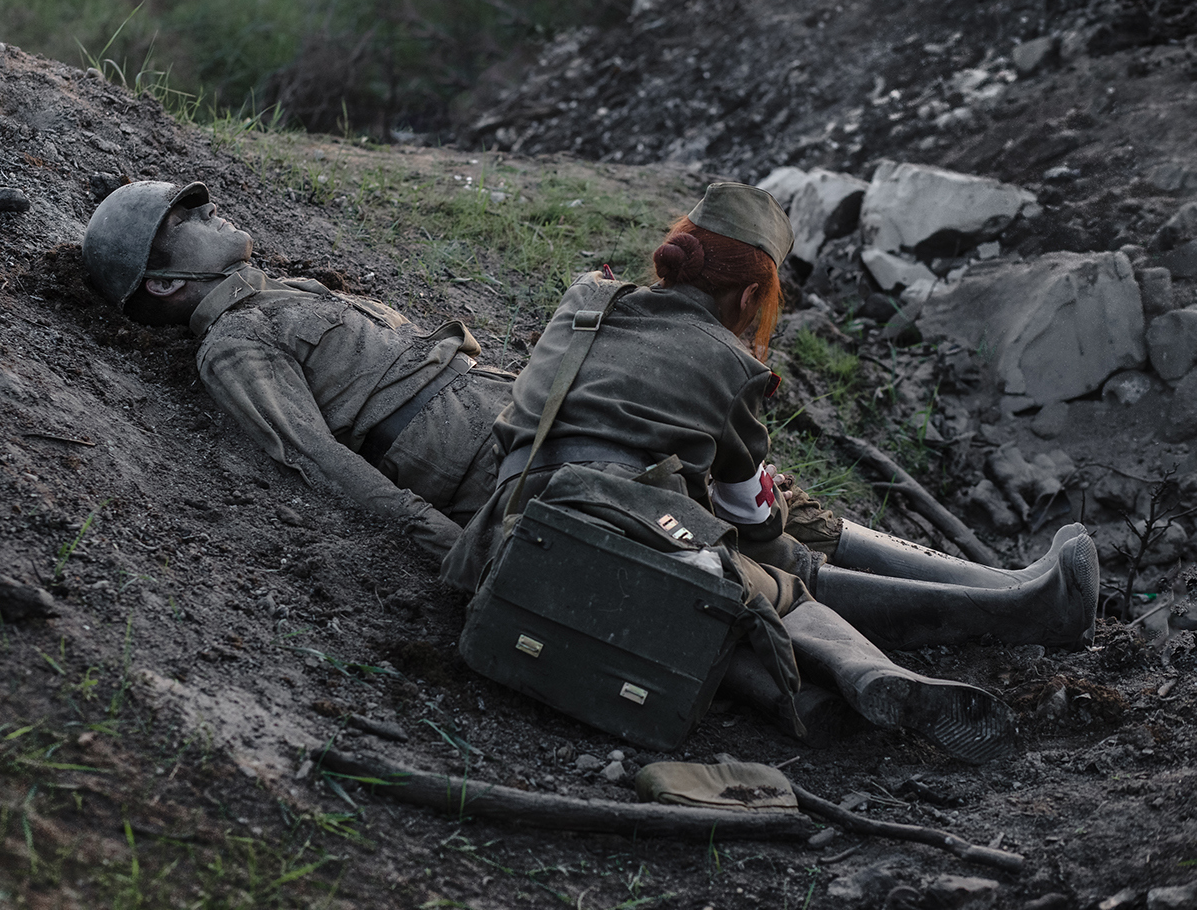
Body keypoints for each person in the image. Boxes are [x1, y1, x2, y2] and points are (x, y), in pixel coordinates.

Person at [443, 181, 1099, 762]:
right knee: (782, 581)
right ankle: (896, 658)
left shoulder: (587, 299)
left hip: (513, 526)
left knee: (741, 540)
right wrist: (764, 501)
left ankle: (1012, 590)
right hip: (628, 533)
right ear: (754, 291)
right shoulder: (732, 364)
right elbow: (756, 520)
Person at [80, 180, 513, 557]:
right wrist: (464, 553)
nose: (209, 209)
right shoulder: (235, 340)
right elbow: (318, 461)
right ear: (163, 283)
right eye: (182, 219)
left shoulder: (285, 294)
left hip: (525, 412)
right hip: (498, 468)